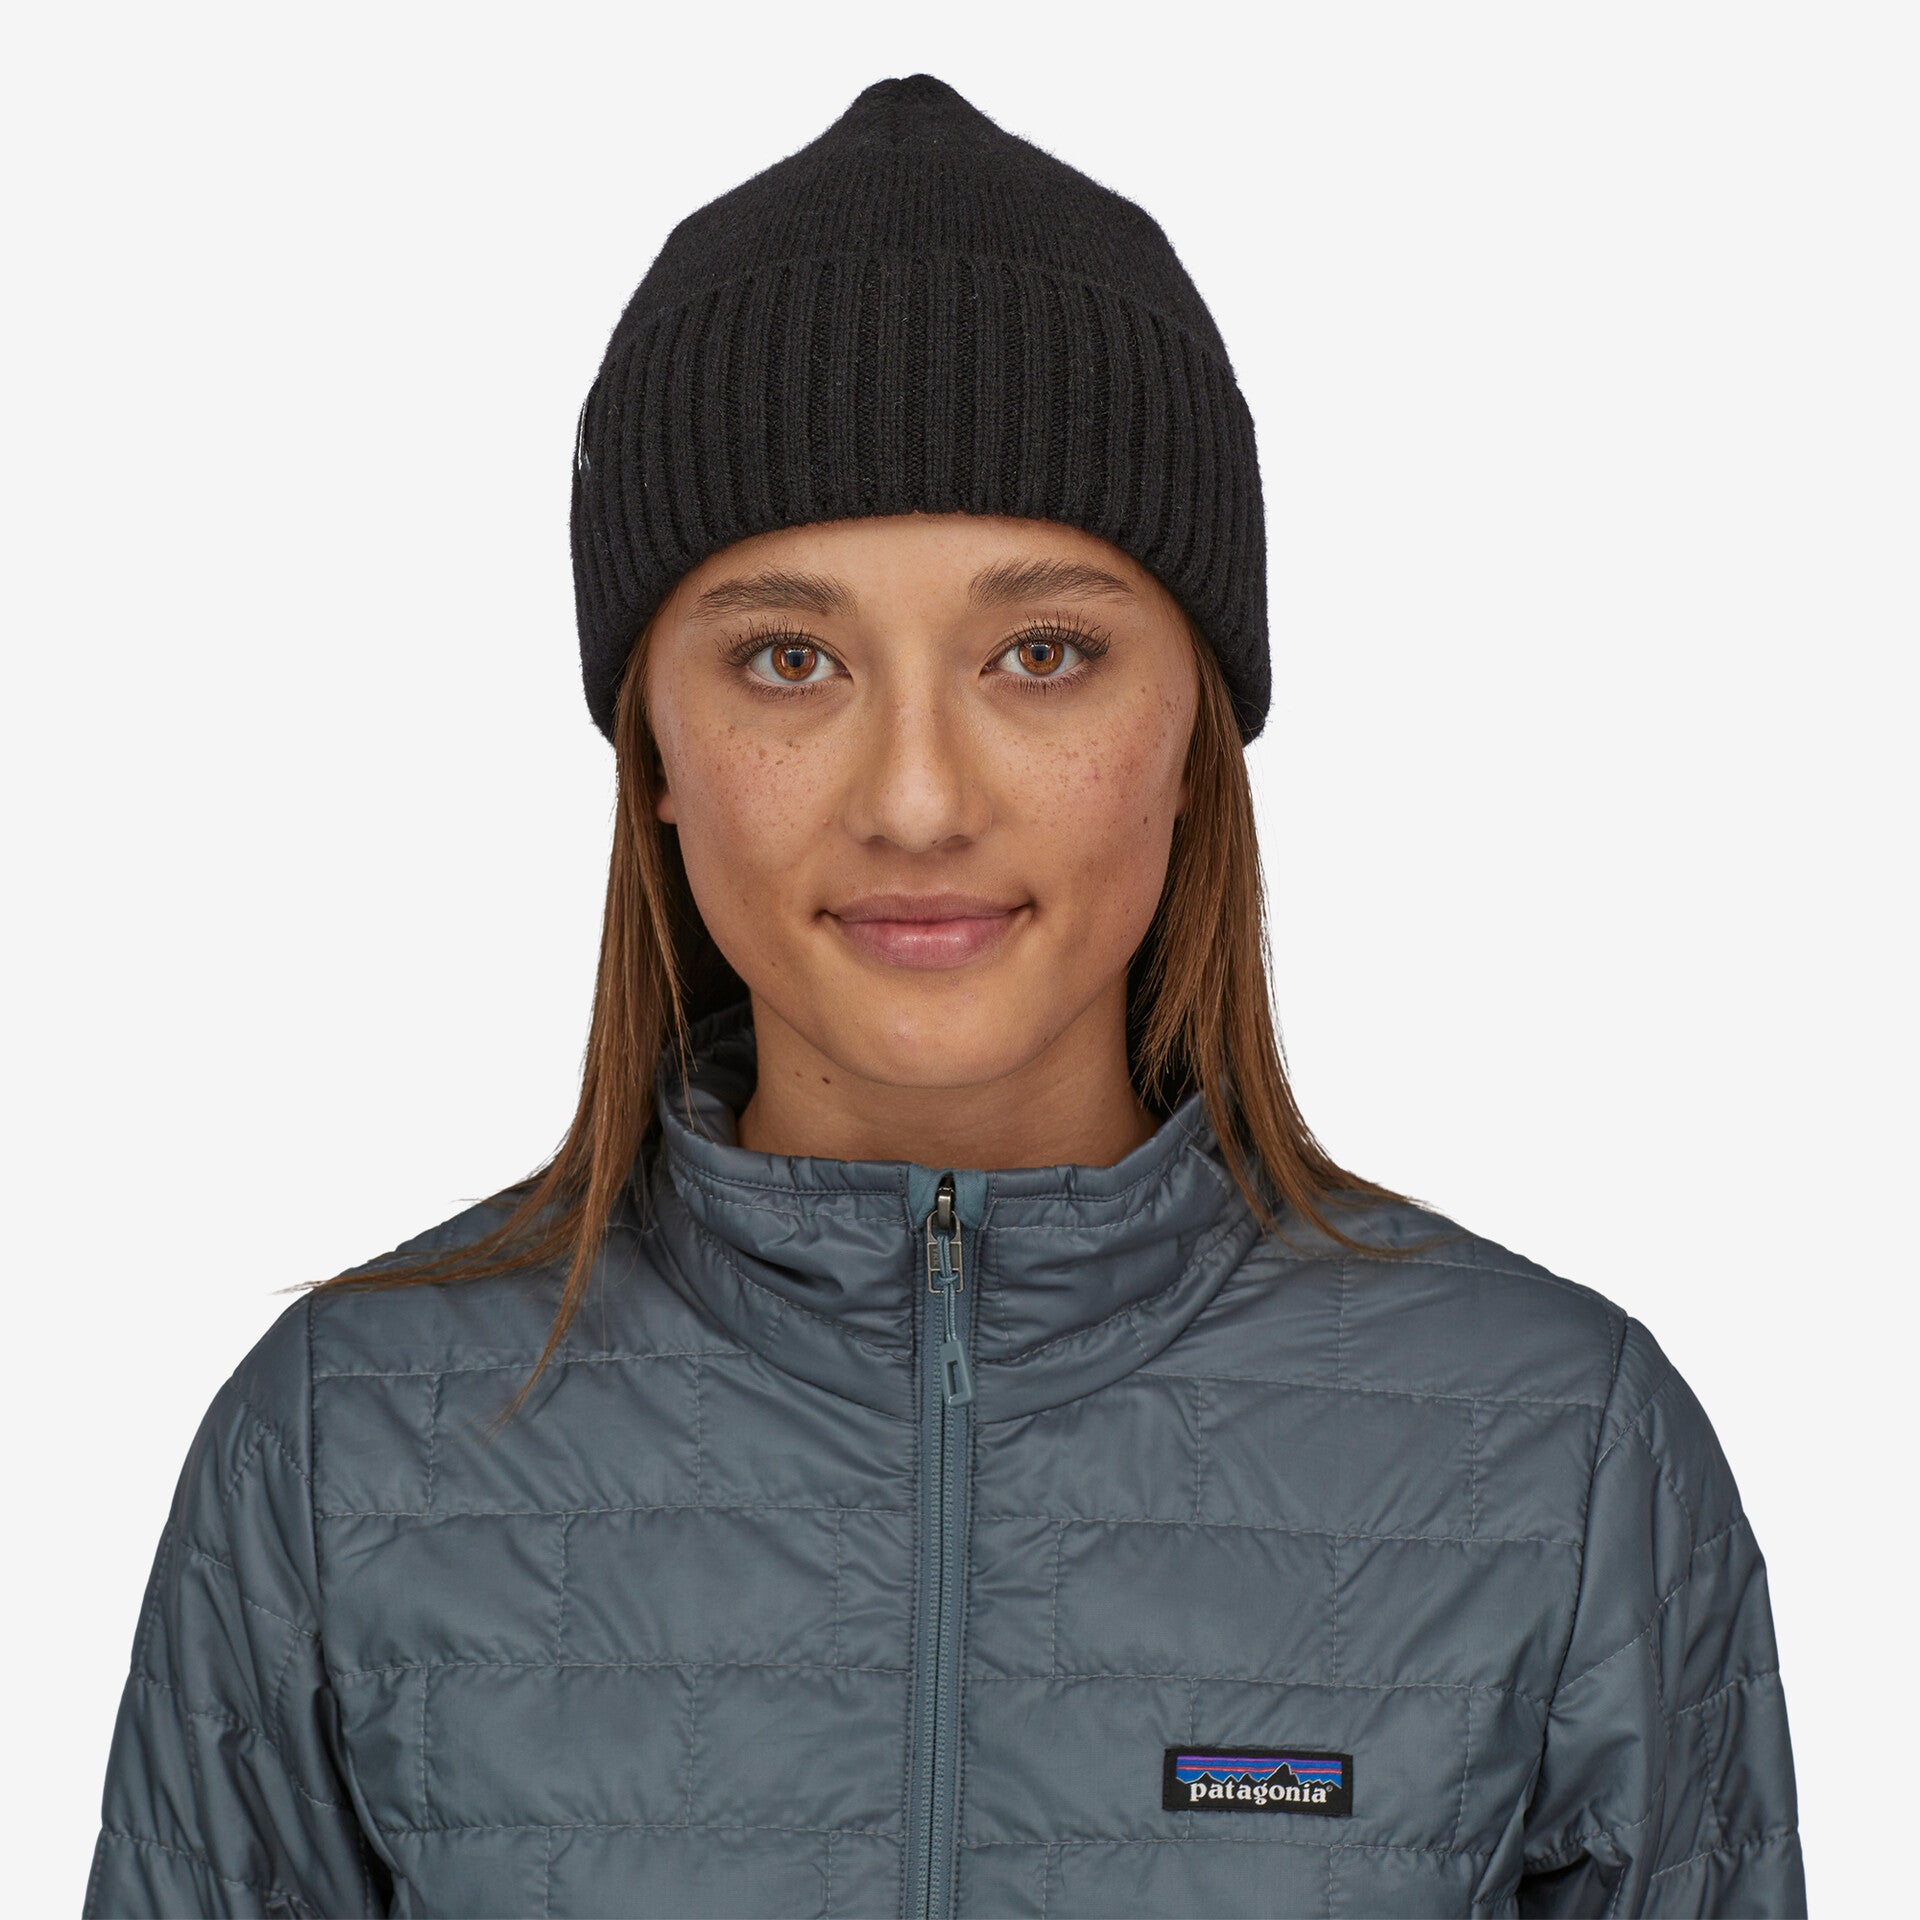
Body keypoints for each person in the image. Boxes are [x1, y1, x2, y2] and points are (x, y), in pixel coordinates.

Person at [85, 73, 1806, 1920]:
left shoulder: (1559, 1461)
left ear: (1195, 730)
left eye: (1043, 653)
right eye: (789, 658)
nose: (916, 799)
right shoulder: (344, 1457)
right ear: (653, 744)